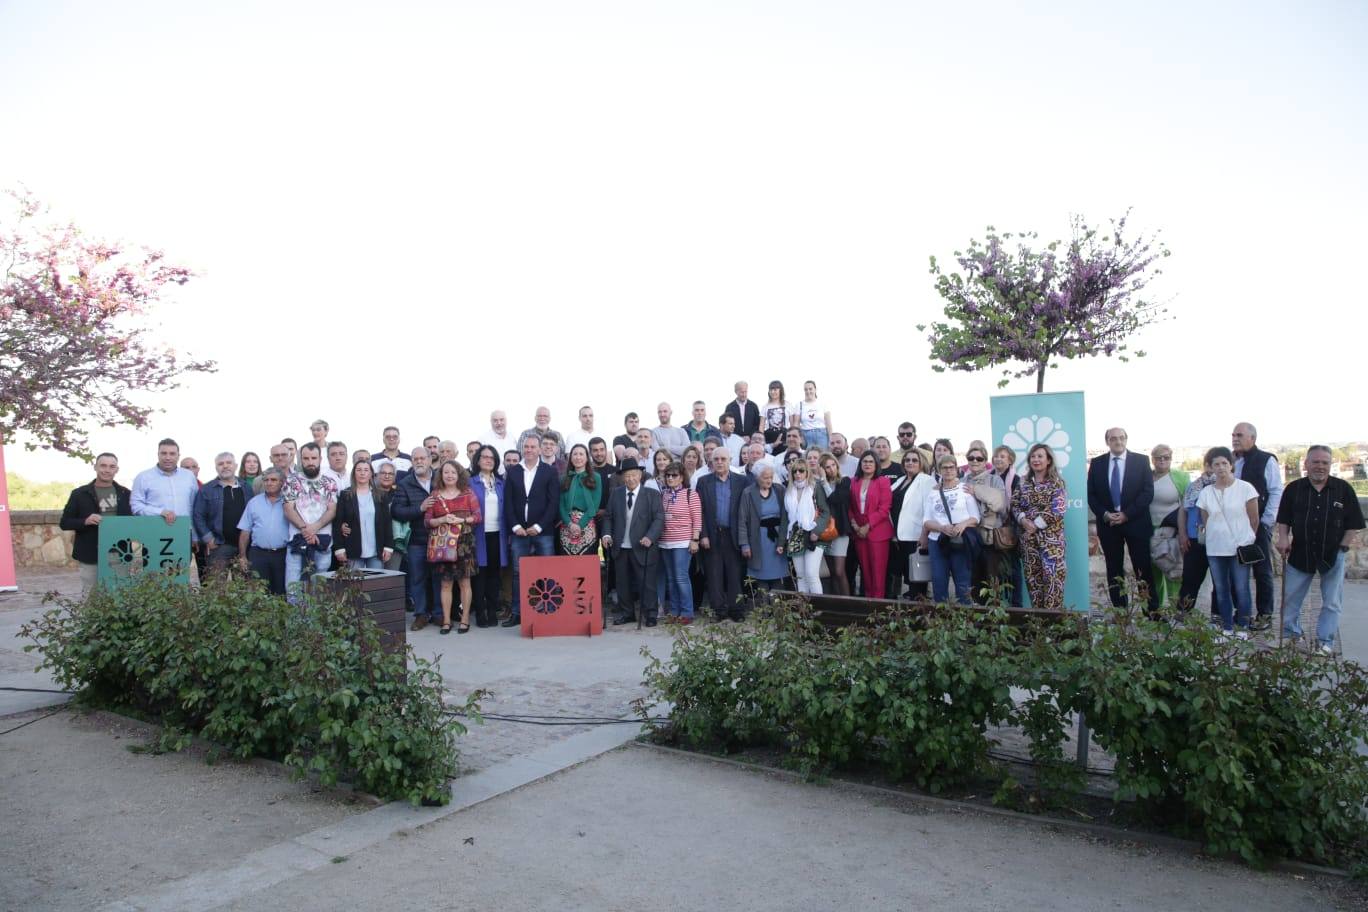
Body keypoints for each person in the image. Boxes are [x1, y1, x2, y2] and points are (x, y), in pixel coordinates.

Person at [1276, 445, 1364, 653]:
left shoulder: (1343, 489)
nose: (1320, 466)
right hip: (1300, 554)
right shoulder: (1293, 489)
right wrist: (1282, 538)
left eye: (1325, 462)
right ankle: (1291, 636)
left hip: (1333, 555)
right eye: (1315, 462)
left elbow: (1354, 523)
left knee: (1332, 602)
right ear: (1306, 464)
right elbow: (1284, 519)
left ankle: (1325, 642)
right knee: (1290, 599)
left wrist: (1343, 546)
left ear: (1330, 465)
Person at [1087, 427, 1157, 615]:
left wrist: (1127, 514)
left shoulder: (1141, 461)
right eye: (1113, 438)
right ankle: (1120, 612)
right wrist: (1105, 514)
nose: (1117, 441)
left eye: (1121, 438)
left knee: (1143, 569)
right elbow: (1092, 495)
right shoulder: (1097, 463)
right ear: (1107, 441)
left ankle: (1151, 612)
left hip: (1136, 522)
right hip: (1109, 525)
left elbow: (1147, 492)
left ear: (1126, 439)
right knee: (1114, 570)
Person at [1197, 446, 1260, 637]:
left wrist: (1247, 538)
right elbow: (1206, 520)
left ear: (1231, 465)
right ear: (1210, 467)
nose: (1221, 467)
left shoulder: (1245, 488)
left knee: (1241, 588)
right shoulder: (1206, 492)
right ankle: (1226, 626)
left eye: (1224, 463)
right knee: (1221, 589)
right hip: (1216, 549)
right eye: (1216, 464)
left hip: (1239, 548)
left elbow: (1254, 519)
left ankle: (1242, 626)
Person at [503, 434, 560, 627]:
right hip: (519, 532)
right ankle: (518, 613)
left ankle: (549, 610)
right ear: (522, 448)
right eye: (526, 447)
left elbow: (553, 503)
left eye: (533, 447)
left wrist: (538, 526)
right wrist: (516, 526)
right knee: (518, 574)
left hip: (543, 532)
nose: (529, 450)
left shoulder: (549, 471)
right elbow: (508, 503)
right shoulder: (513, 472)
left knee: (547, 572)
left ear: (539, 449)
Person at [1232, 422, 1283, 630]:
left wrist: (1266, 522)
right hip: (1235, 525)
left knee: (1262, 571)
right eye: (1233, 434)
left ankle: (1264, 615)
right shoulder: (1230, 461)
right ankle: (1241, 612)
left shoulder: (1266, 460)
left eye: (1240, 435)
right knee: (1235, 570)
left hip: (1258, 524)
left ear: (1252, 438)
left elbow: (1275, 491)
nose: (1235, 438)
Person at [59, 452, 132, 593]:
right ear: (95, 467)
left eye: (112, 466)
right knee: (90, 594)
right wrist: (85, 521)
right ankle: (88, 617)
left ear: (117, 470)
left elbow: (135, 521)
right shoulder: (79, 494)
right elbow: (65, 523)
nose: (107, 470)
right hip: (90, 551)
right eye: (103, 465)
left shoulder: (126, 493)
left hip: (119, 552)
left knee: (121, 592)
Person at [603, 458, 664, 626]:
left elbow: (659, 519)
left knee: (647, 583)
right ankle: (627, 613)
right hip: (620, 546)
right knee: (622, 583)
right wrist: (607, 535)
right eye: (627, 476)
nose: (630, 479)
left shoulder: (652, 494)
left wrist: (650, 537)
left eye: (634, 475)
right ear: (622, 477)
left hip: (643, 545)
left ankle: (650, 614)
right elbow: (608, 516)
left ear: (640, 475)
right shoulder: (616, 493)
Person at [425, 460, 481, 634]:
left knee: (465, 583)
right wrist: (442, 520)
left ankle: (464, 619)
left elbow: (478, 517)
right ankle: (447, 621)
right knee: (446, 585)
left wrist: (461, 520)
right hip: (443, 546)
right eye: (446, 472)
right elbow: (427, 521)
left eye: (453, 472)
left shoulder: (467, 493)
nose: (449, 475)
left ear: (459, 475)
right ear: (441, 475)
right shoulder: (435, 495)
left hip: (464, 544)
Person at [1012, 444, 1068, 612]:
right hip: (1029, 543)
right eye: (1033, 456)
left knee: (1053, 583)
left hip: (1051, 544)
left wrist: (1035, 525)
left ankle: (1052, 628)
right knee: (1033, 583)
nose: (1035, 460)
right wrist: (1023, 521)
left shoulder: (1057, 482)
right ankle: (1038, 627)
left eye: (1040, 456)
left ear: (1048, 460)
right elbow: (1014, 504)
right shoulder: (1023, 482)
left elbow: (1058, 509)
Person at [698, 448, 751, 620]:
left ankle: (737, 611)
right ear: (711, 461)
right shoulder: (703, 481)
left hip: (733, 535)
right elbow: (701, 511)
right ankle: (718, 611)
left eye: (723, 459)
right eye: (716, 459)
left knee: (735, 575)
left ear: (730, 460)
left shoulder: (742, 481)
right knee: (714, 576)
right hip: (712, 535)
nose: (719, 462)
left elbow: (746, 511)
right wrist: (703, 535)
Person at [392, 447, 441, 630]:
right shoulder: (405, 483)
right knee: (417, 578)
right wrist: (419, 509)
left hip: (439, 539)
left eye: (422, 458)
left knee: (438, 578)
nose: (419, 461)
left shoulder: (440, 478)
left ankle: (438, 613)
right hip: (416, 540)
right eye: (415, 459)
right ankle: (420, 615)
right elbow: (396, 511)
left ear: (430, 459)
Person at [282, 442, 339, 599]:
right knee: (293, 587)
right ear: (301, 459)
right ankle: (296, 623)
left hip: (323, 541)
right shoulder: (291, 481)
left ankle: (315, 623)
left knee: (320, 587)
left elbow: (332, 510)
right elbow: (288, 508)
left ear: (320, 459)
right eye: (306, 458)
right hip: (297, 541)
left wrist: (314, 527)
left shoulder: (329, 482)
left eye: (314, 458)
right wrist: (305, 528)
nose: (310, 462)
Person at [131, 439, 200, 565]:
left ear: (178, 456)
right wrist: (160, 512)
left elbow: (193, 508)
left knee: (181, 572)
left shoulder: (189, 477)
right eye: (164, 453)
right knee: (153, 572)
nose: (168, 457)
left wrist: (194, 535)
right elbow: (136, 506)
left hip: (183, 533)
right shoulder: (143, 477)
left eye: (172, 454)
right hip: (153, 532)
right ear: (158, 454)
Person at [924, 454, 980, 606]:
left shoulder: (964, 489)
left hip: (959, 540)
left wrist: (962, 525)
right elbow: (927, 521)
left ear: (956, 469)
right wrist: (942, 527)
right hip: (938, 541)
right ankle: (942, 623)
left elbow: (975, 517)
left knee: (963, 583)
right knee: (939, 582)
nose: (948, 470)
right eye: (944, 467)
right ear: (939, 470)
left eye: (951, 467)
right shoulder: (933, 492)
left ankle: (965, 623)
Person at [963, 443, 1011, 605]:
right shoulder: (962, 481)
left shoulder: (994, 479)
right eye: (971, 458)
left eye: (979, 458)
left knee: (992, 580)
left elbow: (998, 504)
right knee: (972, 580)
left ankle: (994, 620)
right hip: (969, 538)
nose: (975, 461)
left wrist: (976, 490)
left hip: (989, 539)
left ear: (985, 461)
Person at [657, 461, 702, 623]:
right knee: (670, 578)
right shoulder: (663, 494)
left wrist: (695, 540)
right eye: (667, 475)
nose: (670, 478)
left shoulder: (691, 494)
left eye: (674, 475)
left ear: (682, 477)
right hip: (665, 541)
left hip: (683, 542)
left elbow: (697, 519)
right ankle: (674, 611)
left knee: (681, 577)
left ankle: (687, 612)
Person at [192, 452, 250, 574]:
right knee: (217, 589)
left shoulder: (246, 487)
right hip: (219, 546)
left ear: (235, 466)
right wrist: (208, 538)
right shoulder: (207, 489)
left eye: (229, 463)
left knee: (243, 588)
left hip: (244, 547)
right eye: (220, 464)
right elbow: (198, 516)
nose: (225, 466)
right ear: (216, 467)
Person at [738, 465, 788, 606]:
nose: (769, 480)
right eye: (765, 478)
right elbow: (742, 520)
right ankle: (764, 610)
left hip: (777, 538)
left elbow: (785, 517)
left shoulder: (780, 490)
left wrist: (782, 541)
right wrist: (744, 544)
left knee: (779, 575)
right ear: (757, 478)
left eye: (771, 477)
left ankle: (779, 609)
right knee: (760, 576)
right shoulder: (748, 493)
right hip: (758, 539)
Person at [236, 468, 291, 595]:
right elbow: (245, 531)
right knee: (259, 593)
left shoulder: (289, 502)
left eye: (273, 480)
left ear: (282, 482)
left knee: (281, 592)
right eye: (266, 480)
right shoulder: (254, 503)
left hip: (282, 554)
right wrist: (243, 556)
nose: (269, 483)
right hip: (258, 554)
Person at [1148, 444, 1190, 610]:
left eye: (1166, 457)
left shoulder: (1180, 477)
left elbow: (1188, 503)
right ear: (1153, 459)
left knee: (1173, 570)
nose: (1163, 461)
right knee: (1153, 573)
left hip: (1171, 531)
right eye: (1159, 457)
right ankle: (1156, 610)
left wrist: (1183, 531)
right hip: (1148, 530)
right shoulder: (1146, 477)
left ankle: (1175, 609)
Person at [470, 445, 508, 628]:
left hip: (497, 535)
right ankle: (480, 613)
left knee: (494, 576)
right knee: (479, 576)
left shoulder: (501, 483)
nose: (488, 460)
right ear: (477, 460)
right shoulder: (470, 483)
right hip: (478, 535)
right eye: (484, 457)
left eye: (491, 458)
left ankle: (492, 611)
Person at [332, 459, 395, 571]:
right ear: (354, 473)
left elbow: (387, 523)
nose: (362, 473)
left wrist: (388, 547)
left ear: (371, 474)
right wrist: (339, 548)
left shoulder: (381, 496)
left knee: (375, 584)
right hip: (353, 550)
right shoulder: (345, 495)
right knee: (354, 586)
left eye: (366, 470)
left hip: (376, 550)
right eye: (359, 470)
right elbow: (338, 523)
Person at [849, 452, 894, 599]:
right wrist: (855, 525)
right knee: (865, 572)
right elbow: (850, 506)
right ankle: (868, 606)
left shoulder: (883, 481)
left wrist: (868, 525)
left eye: (871, 462)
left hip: (877, 532)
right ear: (860, 464)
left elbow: (884, 508)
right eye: (865, 461)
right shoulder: (854, 481)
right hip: (859, 532)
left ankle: (878, 607)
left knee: (878, 572)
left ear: (876, 465)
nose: (867, 464)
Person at [1176, 453, 1216, 615]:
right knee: (1190, 580)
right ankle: (1183, 613)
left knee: (1220, 582)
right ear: (1206, 465)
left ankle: (1217, 616)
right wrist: (1183, 534)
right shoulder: (1193, 486)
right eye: (1212, 464)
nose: (1215, 468)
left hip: (1218, 540)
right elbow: (1183, 511)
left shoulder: (1228, 486)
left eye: (1222, 463)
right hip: (1194, 538)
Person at [783, 459, 830, 594]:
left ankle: (818, 609)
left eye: (801, 471)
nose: (798, 474)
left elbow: (825, 512)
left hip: (813, 534)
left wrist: (817, 530)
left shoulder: (816, 487)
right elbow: (786, 518)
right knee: (801, 575)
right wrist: (782, 541)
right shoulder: (788, 490)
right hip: (795, 535)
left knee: (811, 574)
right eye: (794, 471)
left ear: (807, 472)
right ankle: (804, 610)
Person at [891, 449, 933, 601]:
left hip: (915, 535)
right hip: (899, 536)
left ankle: (920, 615)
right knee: (906, 576)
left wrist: (924, 535)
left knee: (917, 579)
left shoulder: (926, 480)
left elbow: (929, 511)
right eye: (907, 460)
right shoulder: (900, 480)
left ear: (921, 463)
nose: (910, 463)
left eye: (914, 460)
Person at [991, 445, 1024, 607]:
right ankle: (999, 603)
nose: (998, 459)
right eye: (996, 456)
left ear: (1010, 460)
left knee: (1013, 567)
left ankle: (1016, 604)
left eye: (1002, 456)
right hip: (991, 528)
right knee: (995, 568)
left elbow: (1018, 504)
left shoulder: (1016, 479)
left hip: (1010, 529)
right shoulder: (988, 477)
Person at [818, 454, 852, 596]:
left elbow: (835, 499)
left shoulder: (844, 481)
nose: (831, 469)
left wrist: (824, 482)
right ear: (822, 469)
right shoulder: (818, 484)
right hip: (824, 531)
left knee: (839, 571)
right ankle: (836, 602)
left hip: (840, 531)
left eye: (833, 465)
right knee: (831, 572)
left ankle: (848, 604)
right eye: (827, 467)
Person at [558, 444, 602, 555]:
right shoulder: (564, 478)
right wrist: (570, 524)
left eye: (581, 454)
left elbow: (595, 505)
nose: (578, 457)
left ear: (587, 458)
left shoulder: (596, 477)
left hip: (586, 524)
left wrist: (580, 525)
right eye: (575, 454)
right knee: (567, 565)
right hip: (567, 524)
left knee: (586, 564)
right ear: (570, 458)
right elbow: (561, 505)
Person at [375, 462, 406, 570]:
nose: (387, 476)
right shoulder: (369, 493)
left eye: (390, 474)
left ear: (394, 477)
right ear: (377, 475)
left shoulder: (400, 494)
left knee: (391, 579)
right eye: (383, 473)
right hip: (373, 543)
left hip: (394, 544)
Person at [790, 380, 832, 451]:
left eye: (810, 389)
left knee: (823, 458)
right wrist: (800, 438)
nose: (808, 391)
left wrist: (831, 439)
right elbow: (796, 423)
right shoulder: (799, 405)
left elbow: (828, 424)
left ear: (815, 389)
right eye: (806, 389)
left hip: (822, 435)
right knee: (808, 458)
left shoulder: (823, 404)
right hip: (806, 435)